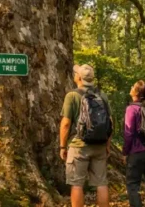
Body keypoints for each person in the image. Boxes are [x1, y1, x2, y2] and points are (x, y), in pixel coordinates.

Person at [60, 64, 113, 207]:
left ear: (78, 77)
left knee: (77, 184)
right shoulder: (102, 95)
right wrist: (107, 144)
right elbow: (110, 122)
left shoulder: (72, 95)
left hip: (79, 146)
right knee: (101, 183)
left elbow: (65, 123)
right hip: (100, 146)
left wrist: (62, 146)